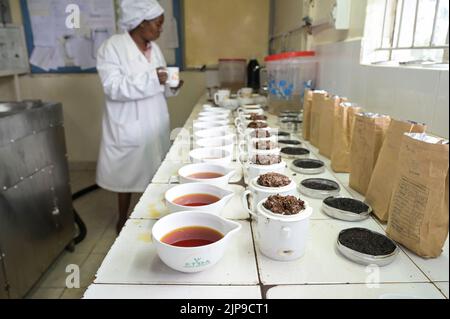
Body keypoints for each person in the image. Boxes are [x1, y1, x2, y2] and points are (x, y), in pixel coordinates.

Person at [96, 0, 183, 234]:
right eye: (158, 24)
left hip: (154, 119)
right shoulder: (111, 47)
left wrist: (172, 86)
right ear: (141, 22)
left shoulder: (154, 50)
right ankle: (122, 218)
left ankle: (154, 214)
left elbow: (160, 84)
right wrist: (154, 78)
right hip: (128, 123)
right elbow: (112, 87)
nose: (160, 29)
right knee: (126, 176)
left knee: (156, 168)